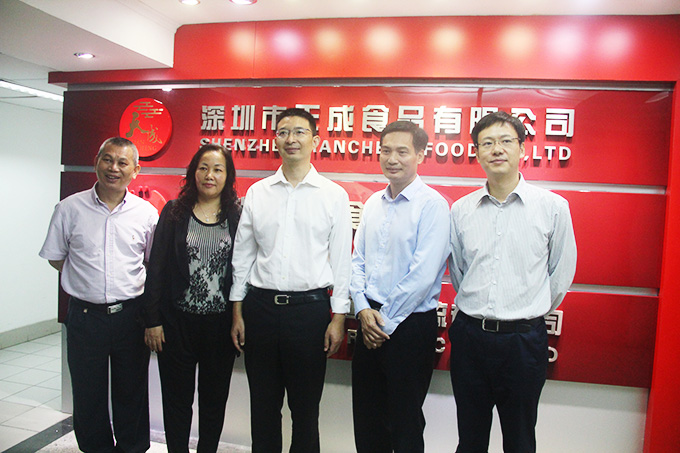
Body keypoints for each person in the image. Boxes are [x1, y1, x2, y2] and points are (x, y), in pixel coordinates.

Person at [448, 111, 577, 453]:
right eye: (487, 143)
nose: (497, 149)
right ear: (477, 153)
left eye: (506, 141)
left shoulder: (552, 207)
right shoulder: (461, 210)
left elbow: (561, 272)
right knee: (470, 438)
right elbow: (459, 271)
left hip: (523, 341)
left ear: (522, 148)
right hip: (470, 337)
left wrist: (528, 309)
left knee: (520, 439)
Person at [230, 107, 352, 453]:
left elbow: (342, 261)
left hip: (309, 313)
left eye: (300, 132)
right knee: (263, 407)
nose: (291, 139)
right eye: (283, 132)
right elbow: (243, 256)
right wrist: (237, 312)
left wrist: (338, 317)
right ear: (276, 140)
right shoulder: (258, 192)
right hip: (260, 310)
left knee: (305, 409)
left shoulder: (333, 195)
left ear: (316, 140)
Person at [39, 137, 158, 453]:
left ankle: (132, 448)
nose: (113, 168)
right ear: (96, 162)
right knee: (87, 392)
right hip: (85, 317)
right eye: (108, 159)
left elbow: (151, 263)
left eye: (122, 162)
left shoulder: (146, 214)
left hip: (131, 317)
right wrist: (86, 281)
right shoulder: (69, 208)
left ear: (135, 170)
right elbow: (56, 257)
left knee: (131, 391)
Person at [350, 121, 450, 453]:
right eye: (386, 151)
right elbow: (357, 261)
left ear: (420, 155)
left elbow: (423, 275)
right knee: (367, 419)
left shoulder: (432, 205)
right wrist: (363, 309)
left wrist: (384, 323)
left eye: (402, 151)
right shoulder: (372, 203)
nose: (392, 159)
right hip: (369, 320)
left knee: (405, 421)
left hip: (409, 327)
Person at [143, 144, 240, 453]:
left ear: (228, 176)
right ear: (193, 172)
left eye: (218, 169)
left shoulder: (237, 215)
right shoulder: (174, 212)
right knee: (177, 400)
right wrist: (152, 320)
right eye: (203, 168)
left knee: (214, 401)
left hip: (220, 326)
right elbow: (156, 268)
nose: (210, 175)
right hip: (176, 324)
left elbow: (244, 270)